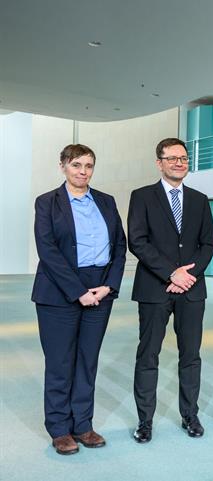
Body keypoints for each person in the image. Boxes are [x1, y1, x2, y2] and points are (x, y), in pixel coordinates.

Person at [32, 144, 126, 455]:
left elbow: (120, 248)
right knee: (60, 363)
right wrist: (79, 292)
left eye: (88, 165)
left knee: (87, 362)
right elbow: (48, 251)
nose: (82, 171)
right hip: (59, 292)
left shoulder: (106, 202)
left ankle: (83, 425)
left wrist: (108, 286)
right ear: (63, 167)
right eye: (76, 165)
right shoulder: (47, 202)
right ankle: (60, 429)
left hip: (100, 291)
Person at [128, 138, 213, 443]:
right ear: (159, 162)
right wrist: (171, 273)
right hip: (155, 288)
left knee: (190, 356)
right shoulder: (141, 196)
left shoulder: (200, 199)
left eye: (184, 158)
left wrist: (188, 276)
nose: (179, 163)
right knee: (148, 355)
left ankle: (190, 415)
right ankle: (145, 421)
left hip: (191, 291)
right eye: (172, 158)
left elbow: (209, 243)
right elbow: (137, 241)